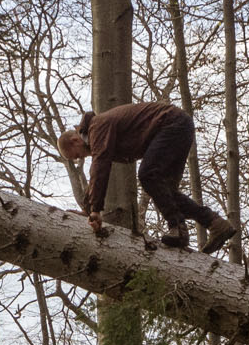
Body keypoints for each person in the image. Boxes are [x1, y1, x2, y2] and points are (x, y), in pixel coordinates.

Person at [58, 102, 238, 253]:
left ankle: (178, 228)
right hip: (179, 126)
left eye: (77, 156)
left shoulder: (96, 127)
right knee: (165, 190)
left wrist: (95, 209)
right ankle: (215, 223)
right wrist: (89, 210)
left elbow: (100, 167)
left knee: (147, 175)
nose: (81, 158)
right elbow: (97, 171)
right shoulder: (98, 130)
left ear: (75, 141)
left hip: (171, 124)